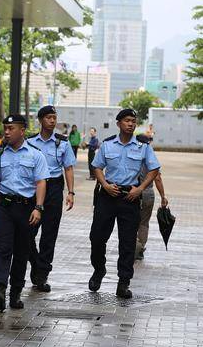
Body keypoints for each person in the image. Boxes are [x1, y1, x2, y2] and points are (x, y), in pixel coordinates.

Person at [89, 108, 161, 299]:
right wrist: (104, 184)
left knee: (127, 243)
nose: (131, 124)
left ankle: (123, 282)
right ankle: (99, 270)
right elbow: (96, 166)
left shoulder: (142, 146)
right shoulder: (107, 144)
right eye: (127, 121)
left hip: (130, 197)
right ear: (119, 123)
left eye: (133, 121)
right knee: (97, 238)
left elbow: (154, 169)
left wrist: (140, 188)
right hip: (107, 196)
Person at [0, 114, 49, 311]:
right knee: (3, 249)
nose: (7, 132)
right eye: (5, 128)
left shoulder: (35, 155)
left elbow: (41, 182)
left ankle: (16, 292)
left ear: (22, 130)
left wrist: (38, 207)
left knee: (21, 252)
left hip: (27, 209)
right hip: (3, 207)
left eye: (11, 128)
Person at [27, 105, 76, 293]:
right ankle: (36, 262)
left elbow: (69, 168)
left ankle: (42, 274)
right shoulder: (30, 141)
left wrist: (71, 193)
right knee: (27, 232)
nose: (52, 121)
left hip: (54, 187)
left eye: (54, 117)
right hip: (33, 188)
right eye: (48, 117)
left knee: (50, 233)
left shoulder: (62, 142)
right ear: (40, 120)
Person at [135, 134, 168, 261]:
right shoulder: (150, 156)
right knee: (143, 223)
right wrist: (163, 196)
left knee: (130, 221)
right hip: (148, 193)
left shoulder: (130, 154)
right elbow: (158, 178)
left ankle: (133, 246)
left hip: (132, 192)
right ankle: (140, 247)